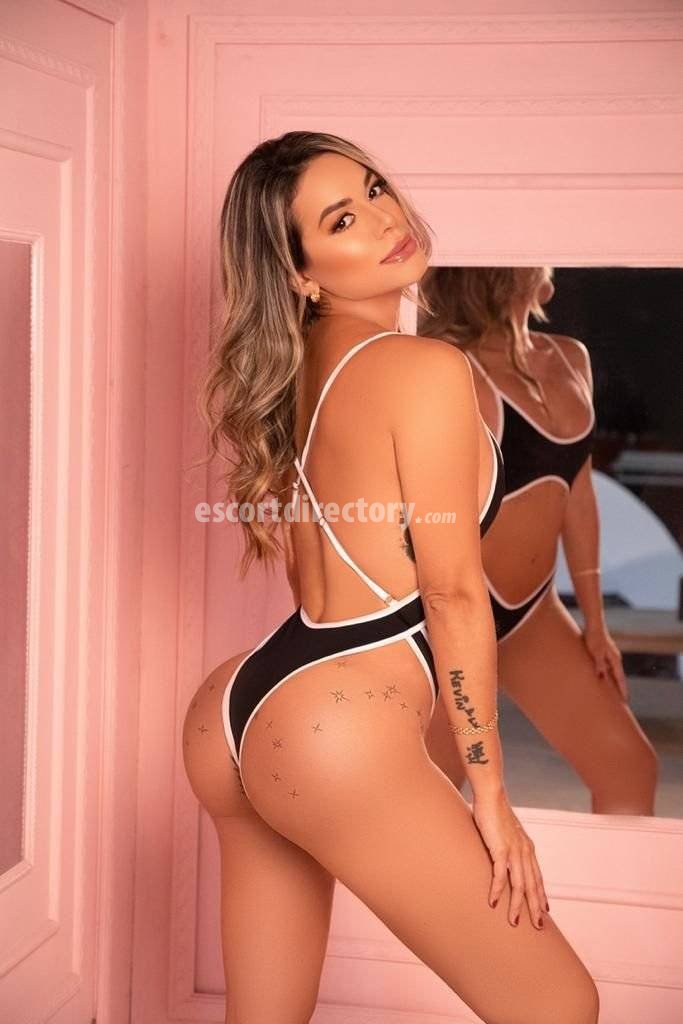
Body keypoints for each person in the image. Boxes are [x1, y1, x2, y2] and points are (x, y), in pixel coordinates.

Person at [182, 132, 600, 1024]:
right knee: (559, 1007)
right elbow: (450, 592)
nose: (383, 219)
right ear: (301, 273)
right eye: (341, 220)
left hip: (239, 708)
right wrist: (490, 793)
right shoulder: (423, 368)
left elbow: (327, 562)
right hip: (330, 730)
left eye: (373, 190)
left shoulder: (293, 370)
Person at [417, 267, 658, 814]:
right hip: (458, 618)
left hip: (534, 614)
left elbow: (577, 492)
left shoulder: (569, 358)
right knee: (427, 801)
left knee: (629, 768)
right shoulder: (454, 369)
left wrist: (596, 623)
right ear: (501, 274)